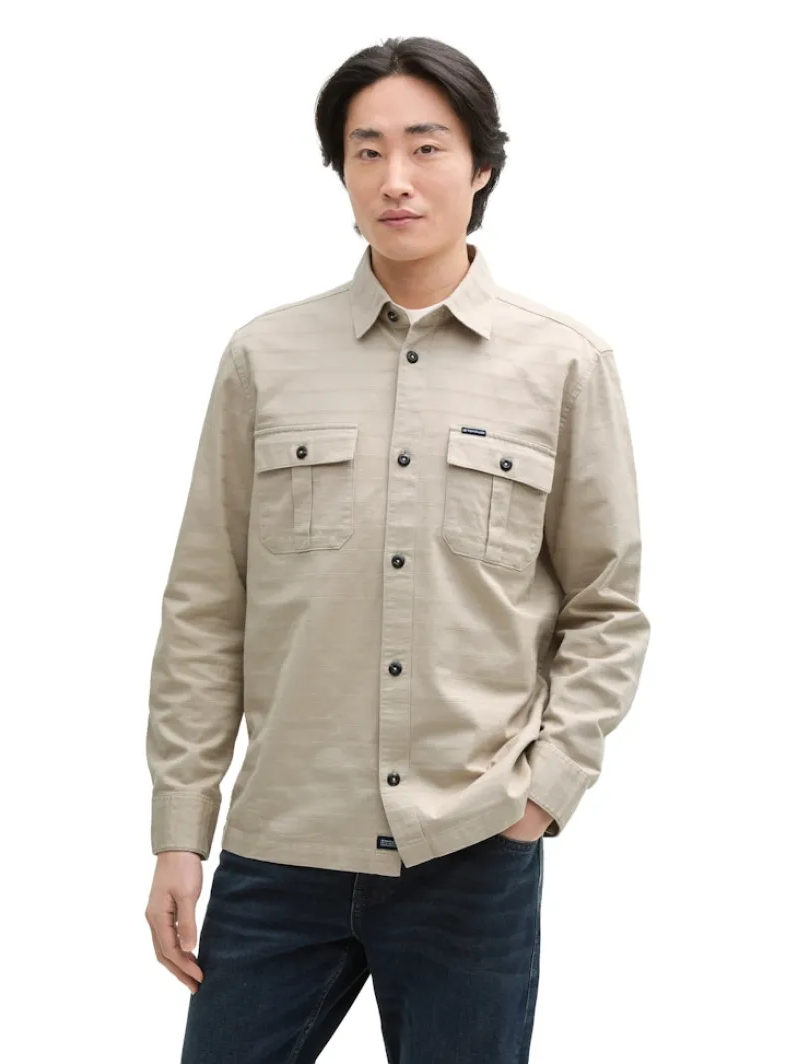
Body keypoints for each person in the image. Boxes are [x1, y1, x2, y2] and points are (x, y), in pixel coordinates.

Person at [144, 34, 651, 1064]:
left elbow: (606, 604)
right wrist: (179, 830)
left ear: (482, 165)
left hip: (471, 846)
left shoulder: (564, 363)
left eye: (425, 146)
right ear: (339, 170)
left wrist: (545, 789)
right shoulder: (264, 356)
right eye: (365, 151)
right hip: (282, 844)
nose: (395, 179)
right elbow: (205, 602)